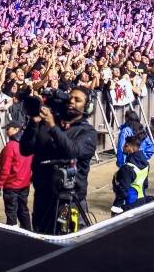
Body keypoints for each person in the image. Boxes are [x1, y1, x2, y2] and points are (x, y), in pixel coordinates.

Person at [20, 87, 97, 234]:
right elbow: (25, 149)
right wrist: (34, 123)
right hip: (43, 198)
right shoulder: (47, 124)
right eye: (70, 98)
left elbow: (72, 151)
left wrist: (52, 127)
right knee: (41, 238)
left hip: (69, 202)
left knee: (67, 238)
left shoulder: (87, 132)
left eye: (77, 100)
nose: (71, 101)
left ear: (87, 107)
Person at [0, 119, 33, 230]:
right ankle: (28, 232)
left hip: (12, 186)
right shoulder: (28, 144)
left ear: (16, 129)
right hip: (24, 184)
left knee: (11, 212)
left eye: (8, 128)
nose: (6, 131)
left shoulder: (10, 147)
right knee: (23, 210)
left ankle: (13, 233)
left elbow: (5, 169)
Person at [111, 134, 154, 214]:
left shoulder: (127, 168)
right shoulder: (146, 164)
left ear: (131, 148)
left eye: (126, 145)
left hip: (129, 204)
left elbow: (123, 190)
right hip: (142, 200)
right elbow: (145, 184)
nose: (123, 147)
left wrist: (116, 206)